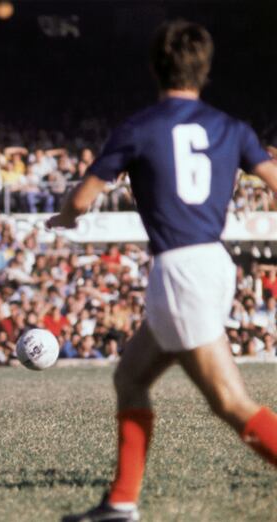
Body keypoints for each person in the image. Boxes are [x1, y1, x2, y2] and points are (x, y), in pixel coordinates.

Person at [47, 20, 277, 521]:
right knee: (130, 376)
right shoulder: (230, 127)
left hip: (180, 269)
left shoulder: (139, 127)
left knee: (230, 402)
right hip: (215, 263)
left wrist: (64, 216)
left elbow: (83, 200)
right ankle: (121, 503)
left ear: (155, 66)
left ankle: (122, 503)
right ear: (206, 70)